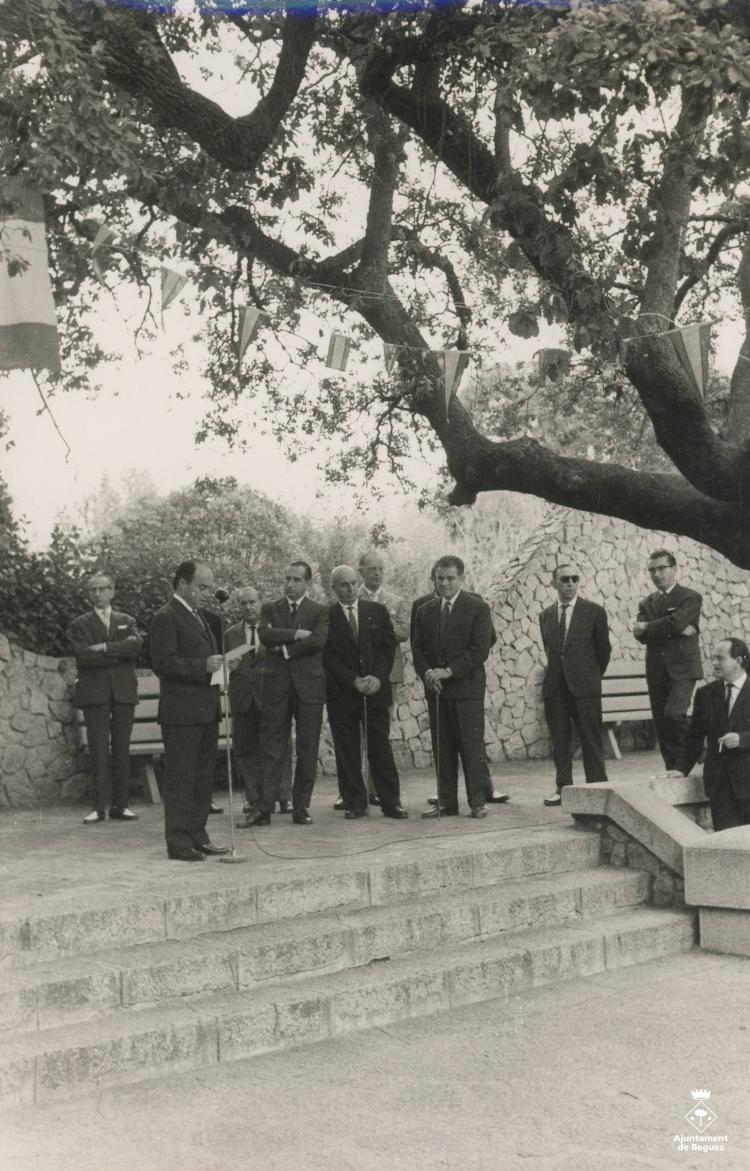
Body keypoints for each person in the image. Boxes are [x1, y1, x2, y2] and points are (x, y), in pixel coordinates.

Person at [149, 559, 228, 861]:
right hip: (181, 713)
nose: (207, 592)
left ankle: (198, 834)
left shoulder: (199, 616)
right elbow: (164, 663)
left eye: (209, 587)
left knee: (202, 777)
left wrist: (222, 667)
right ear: (183, 584)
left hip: (205, 709)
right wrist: (204, 666)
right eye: (202, 587)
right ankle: (179, 841)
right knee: (182, 777)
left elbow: (206, 665)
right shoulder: (166, 616)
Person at [413, 565, 509, 808]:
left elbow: (480, 649)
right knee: (442, 749)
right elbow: (418, 649)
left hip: (466, 689)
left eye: (450, 578)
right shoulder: (425, 610)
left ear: (462, 578)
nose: (444, 583)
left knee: (470, 748)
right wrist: (428, 674)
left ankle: (477, 803)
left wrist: (449, 671)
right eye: (440, 578)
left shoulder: (477, 607)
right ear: (433, 579)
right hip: (437, 691)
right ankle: (446, 802)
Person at [324, 565, 408, 820]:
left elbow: (387, 647)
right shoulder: (326, 616)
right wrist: (352, 680)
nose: (349, 589)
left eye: (352, 583)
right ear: (334, 588)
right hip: (343, 694)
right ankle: (355, 803)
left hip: (375, 691)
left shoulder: (377, 610)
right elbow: (327, 656)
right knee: (347, 748)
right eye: (343, 585)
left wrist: (377, 677)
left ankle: (391, 802)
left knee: (380, 747)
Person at [250, 560, 329, 826]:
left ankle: (301, 807)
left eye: (296, 580)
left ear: (307, 583)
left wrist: (285, 650)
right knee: (272, 747)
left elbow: (318, 641)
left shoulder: (319, 611)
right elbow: (264, 635)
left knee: (308, 748)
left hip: (309, 689)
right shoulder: (271, 608)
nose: (290, 584)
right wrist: (296, 634)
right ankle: (264, 808)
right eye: (287, 578)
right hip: (276, 687)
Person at [68, 572, 142, 824]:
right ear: (89, 594)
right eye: (93, 590)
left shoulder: (127, 620)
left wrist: (105, 647)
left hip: (123, 691)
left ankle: (121, 806)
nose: (98, 593)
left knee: (122, 748)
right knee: (98, 749)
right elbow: (84, 656)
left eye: (103, 589)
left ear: (112, 591)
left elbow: (136, 647)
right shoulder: (79, 624)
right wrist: (119, 653)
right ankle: (98, 807)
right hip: (95, 693)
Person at [539, 561, 611, 807]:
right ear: (554, 583)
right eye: (565, 579)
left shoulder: (594, 612)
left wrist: (589, 677)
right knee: (559, 740)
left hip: (585, 687)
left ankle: (598, 787)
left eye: (574, 579)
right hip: (555, 688)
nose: (570, 583)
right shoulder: (546, 615)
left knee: (591, 738)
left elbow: (604, 652)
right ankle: (563, 788)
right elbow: (551, 651)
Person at [224, 585, 292, 824]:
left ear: (261, 602)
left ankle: (284, 796)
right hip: (243, 699)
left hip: (271, 697)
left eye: (252, 602)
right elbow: (225, 667)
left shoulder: (274, 631)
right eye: (243, 603)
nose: (248, 607)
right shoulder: (230, 634)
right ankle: (254, 798)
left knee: (277, 747)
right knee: (246, 749)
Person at [667, 638, 750, 831]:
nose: (714, 663)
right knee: (724, 845)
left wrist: (743, 739)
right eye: (713, 658)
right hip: (720, 784)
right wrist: (680, 768)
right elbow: (694, 737)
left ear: (738, 660)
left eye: (720, 658)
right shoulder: (705, 694)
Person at [632, 549, 703, 769]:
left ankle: (703, 750)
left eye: (662, 568)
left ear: (674, 569)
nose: (657, 574)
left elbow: (675, 623)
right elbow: (641, 636)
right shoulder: (646, 603)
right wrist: (672, 627)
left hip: (683, 670)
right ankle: (674, 772)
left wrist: (650, 627)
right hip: (656, 670)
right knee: (662, 725)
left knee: (674, 715)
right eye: (652, 570)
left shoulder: (690, 597)